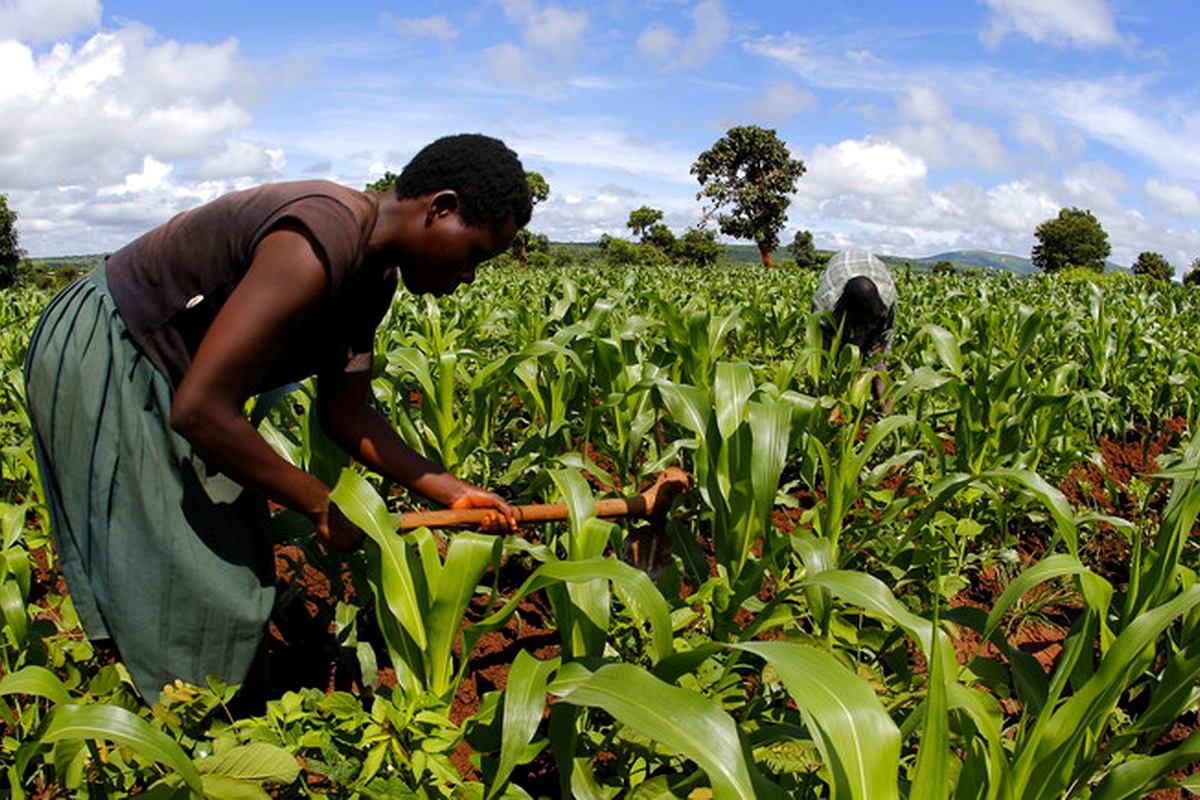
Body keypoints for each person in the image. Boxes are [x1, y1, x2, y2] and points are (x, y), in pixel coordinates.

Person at [24, 133, 531, 704]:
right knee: (200, 578)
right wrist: (319, 504)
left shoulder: (373, 276)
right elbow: (199, 409)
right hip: (118, 346)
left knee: (224, 562)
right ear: (441, 208)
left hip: (180, 380)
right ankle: (181, 734)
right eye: (474, 255)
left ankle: (196, 714)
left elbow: (346, 409)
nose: (468, 277)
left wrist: (448, 488)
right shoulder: (320, 236)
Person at [811, 250, 897, 406]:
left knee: (879, 365)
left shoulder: (887, 297)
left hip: (871, 268)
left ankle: (886, 412)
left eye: (870, 318)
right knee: (836, 360)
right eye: (860, 319)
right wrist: (838, 389)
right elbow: (824, 356)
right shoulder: (825, 308)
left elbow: (886, 333)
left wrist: (870, 365)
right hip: (839, 268)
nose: (864, 324)